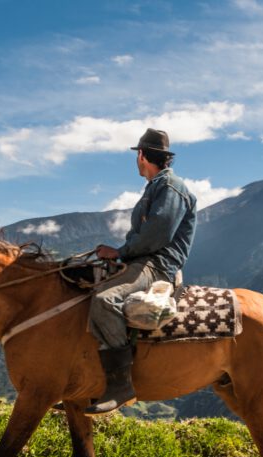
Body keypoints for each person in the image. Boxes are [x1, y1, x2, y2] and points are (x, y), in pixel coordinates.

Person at [85, 128, 197, 416]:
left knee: (104, 301)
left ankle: (121, 386)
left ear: (142, 155)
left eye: (137, 155)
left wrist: (120, 252)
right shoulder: (157, 185)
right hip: (142, 261)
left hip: (157, 265)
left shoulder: (171, 187)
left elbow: (157, 234)